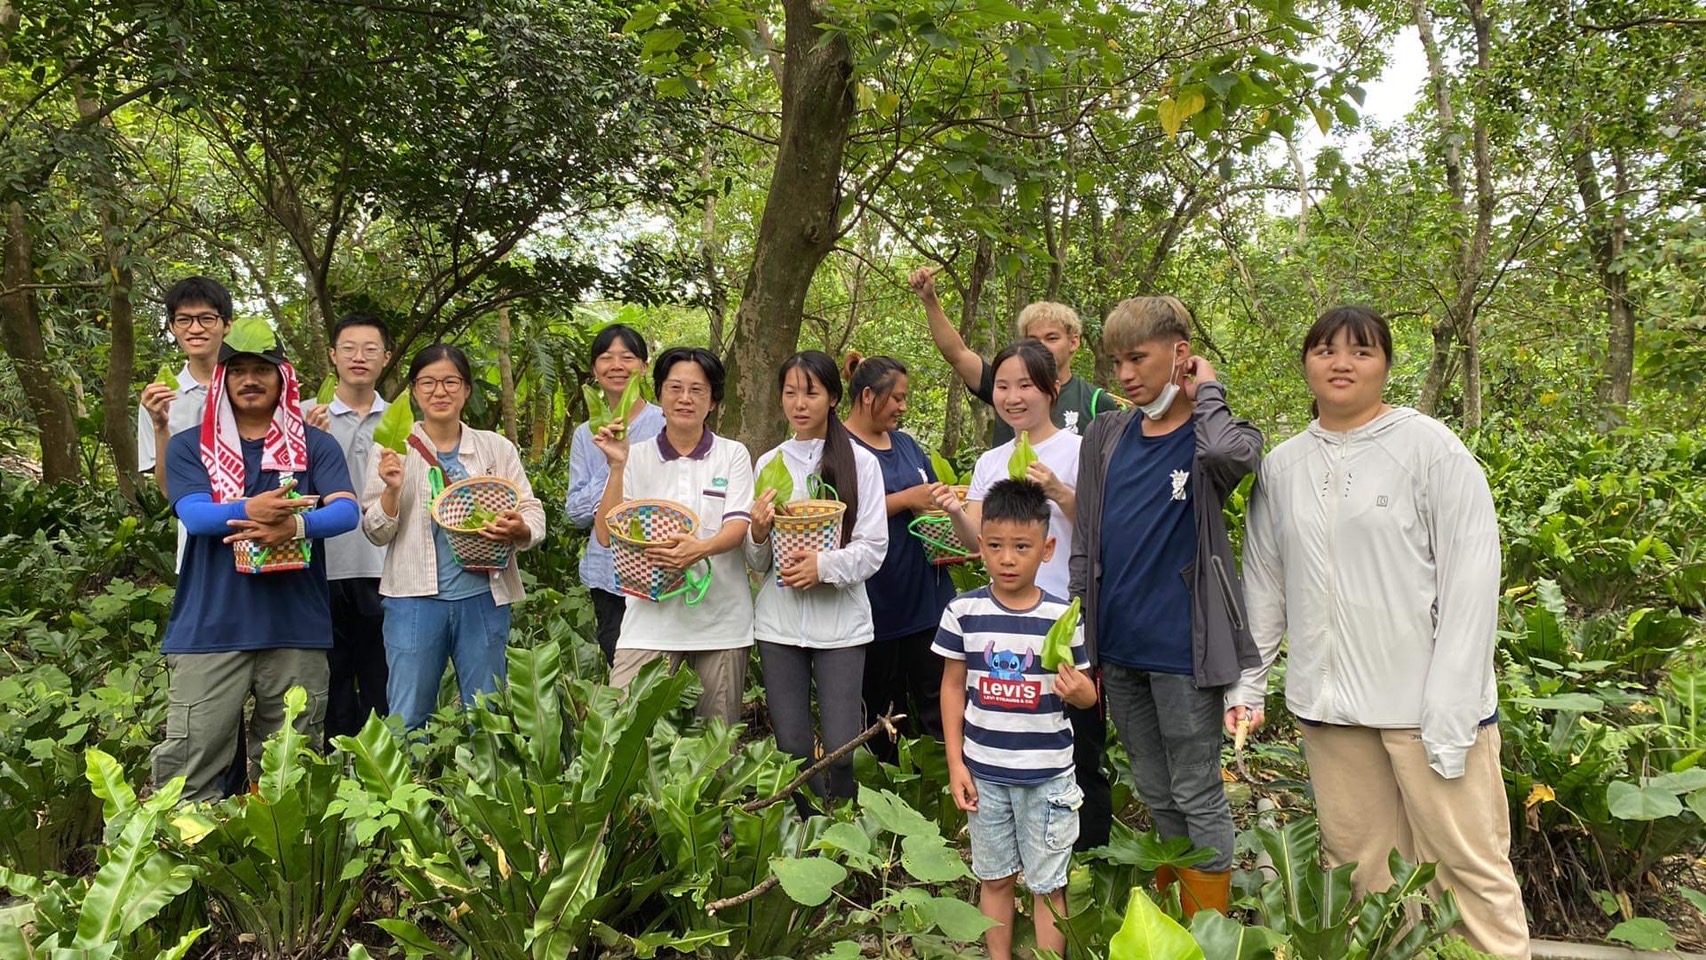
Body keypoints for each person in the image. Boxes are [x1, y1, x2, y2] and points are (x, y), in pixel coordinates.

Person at [1236, 306, 1531, 958]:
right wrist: (1248, 687)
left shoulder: (1430, 450)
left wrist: (1452, 703)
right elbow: (1264, 585)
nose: (1342, 363)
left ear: (1387, 366)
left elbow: (1472, 581)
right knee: (1361, 874)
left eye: (1361, 351)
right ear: (1306, 362)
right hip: (1332, 709)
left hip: (1427, 707)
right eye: (1326, 350)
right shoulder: (1282, 468)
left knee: (1469, 869)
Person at [1069, 296, 1264, 917]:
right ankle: (1176, 916)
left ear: (1179, 352)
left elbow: (1230, 458)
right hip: (1120, 649)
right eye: (1116, 361)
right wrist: (1082, 635)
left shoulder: (1212, 433)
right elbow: (1086, 543)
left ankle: (1210, 925)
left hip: (1184, 649)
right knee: (1153, 786)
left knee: (1196, 785)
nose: (1124, 375)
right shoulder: (1107, 433)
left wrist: (1207, 391)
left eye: (1138, 357)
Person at [152, 318, 361, 802]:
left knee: (289, 772)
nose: (250, 379)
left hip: (296, 630)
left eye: (262, 370)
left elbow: (347, 510)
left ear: (282, 378)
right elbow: (195, 515)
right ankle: (188, 865)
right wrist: (251, 509)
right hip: (211, 629)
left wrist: (295, 525)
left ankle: (274, 870)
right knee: (191, 766)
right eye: (238, 370)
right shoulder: (191, 446)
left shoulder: (313, 446)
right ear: (222, 378)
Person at [931, 339, 1113, 850]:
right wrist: (954, 510)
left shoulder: (1080, 450)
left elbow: (1100, 530)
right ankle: (1018, 849)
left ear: (1052, 390)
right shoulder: (991, 461)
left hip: (1066, 617)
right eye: (1004, 387)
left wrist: (1058, 490)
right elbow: (975, 544)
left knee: (1078, 740)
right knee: (1017, 738)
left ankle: (1085, 860)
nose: (1013, 397)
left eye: (1026, 386)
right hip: (1006, 623)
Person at [935, 479, 1096, 960]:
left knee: (1048, 884)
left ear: (1046, 550)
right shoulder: (964, 612)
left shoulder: (1061, 618)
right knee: (995, 877)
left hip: (1048, 778)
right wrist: (955, 763)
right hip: (984, 774)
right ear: (980, 546)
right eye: (996, 546)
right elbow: (950, 687)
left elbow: (1087, 693)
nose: (1007, 559)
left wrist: (1081, 692)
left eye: (1021, 547)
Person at [362, 344, 546, 731]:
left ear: (467, 390)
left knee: (487, 713)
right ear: (414, 391)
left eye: (450, 381)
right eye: (428, 382)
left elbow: (532, 510)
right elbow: (376, 531)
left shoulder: (495, 448)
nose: (439, 391)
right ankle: (408, 789)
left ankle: (480, 789)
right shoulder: (390, 449)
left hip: (483, 596)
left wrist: (520, 528)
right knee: (408, 715)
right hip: (413, 600)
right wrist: (392, 490)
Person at [746, 351, 887, 805]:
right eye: (790, 393)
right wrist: (758, 531)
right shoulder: (770, 463)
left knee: (843, 749)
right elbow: (758, 561)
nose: (799, 403)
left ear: (831, 397)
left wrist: (822, 569)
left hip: (841, 627)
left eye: (811, 392)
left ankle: (844, 835)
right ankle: (805, 836)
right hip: (779, 626)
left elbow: (872, 548)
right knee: (792, 749)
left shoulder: (861, 464)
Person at [592, 346, 754, 724]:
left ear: (713, 400)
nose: (685, 398)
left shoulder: (733, 455)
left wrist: (700, 549)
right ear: (659, 394)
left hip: (721, 625)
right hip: (648, 624)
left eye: (698, 390)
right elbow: (605, 534)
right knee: (623, 735)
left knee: (714, 750)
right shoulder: (634, 454)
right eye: (675, 388)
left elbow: (738, 526)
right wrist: (616, 468)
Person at [842, 354, 956, 760]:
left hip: (926, 595)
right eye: (898, 398)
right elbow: (840, 512)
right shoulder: (839, 447)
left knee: (935, 702)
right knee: (881, 708)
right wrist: (906, 499)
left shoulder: (907, 445)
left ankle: (941, 796)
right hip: (876, 601)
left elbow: (932, 503)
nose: (903, 407)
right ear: (868, 395)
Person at [303, 314, 394, 740]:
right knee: (330, 677)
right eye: (350, 348)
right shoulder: (303, 415)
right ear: (332, 356)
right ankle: (333, 772)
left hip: (384, 566)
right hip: (319, 565)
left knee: (382, 677)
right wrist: (305, 443)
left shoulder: (402, 421)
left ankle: (383, 772)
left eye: (371, 349)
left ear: (386, 358)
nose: (359, 357)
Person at [909, 266, 1119, 444]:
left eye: (1052, 338)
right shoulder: (1005, 387)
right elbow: (957, 354)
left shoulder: (1095, 402)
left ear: (1074, 342)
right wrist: (929, 299)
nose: (1042, 347)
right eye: (1033, 340)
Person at [567, 324, 665, 665]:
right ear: (595, 369)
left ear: (644, 366)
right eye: (606, 357)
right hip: (606, 573)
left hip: (659, 569)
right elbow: (576, 511)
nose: (616, 365)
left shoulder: (665, 423)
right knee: (620, 667)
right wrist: (613, 468)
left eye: (627, 357)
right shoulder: (584, 435)